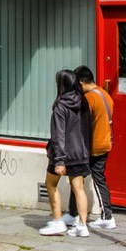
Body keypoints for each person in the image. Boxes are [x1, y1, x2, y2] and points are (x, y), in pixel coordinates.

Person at [39, 69, 92, 237]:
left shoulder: (60, 106)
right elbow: (87, 129)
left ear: (61, 84)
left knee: (50, 184)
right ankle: (82, 226)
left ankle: (57, 221)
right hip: (80, 152)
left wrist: (60, 160)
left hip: (62, 154)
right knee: (79, 189)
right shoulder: (83, 102)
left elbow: (58, 134)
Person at [66, 65, 115, 230]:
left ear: (81, 83)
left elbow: (81, 123)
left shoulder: (89, 99)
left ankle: (79, 215)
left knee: (77, 179)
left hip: (93, 145)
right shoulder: (105, 95)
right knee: (97, 178)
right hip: (105, 142)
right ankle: (105, 215)